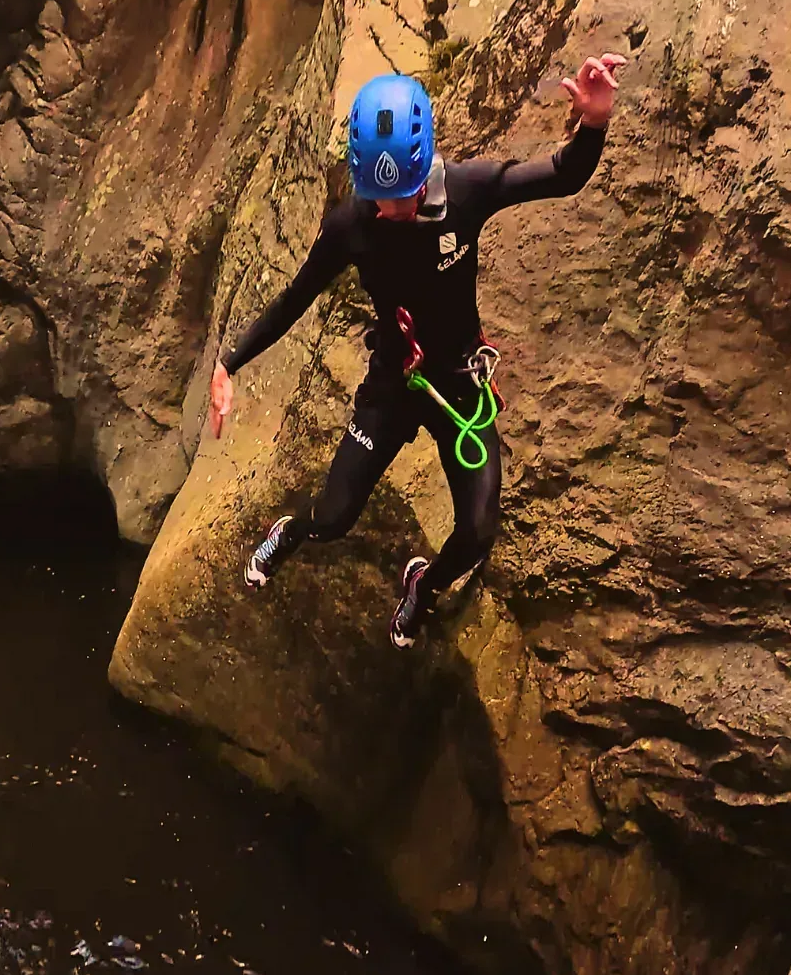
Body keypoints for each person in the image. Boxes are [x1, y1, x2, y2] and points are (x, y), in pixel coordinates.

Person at [209, 53, 627, 648]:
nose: (393, 210)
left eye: (403, 194)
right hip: (394, 383)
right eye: (380, 199)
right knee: (332, 519)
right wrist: (229, 363)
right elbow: (294, 298)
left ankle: (422, 585)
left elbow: (562, 175)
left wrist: (594, 123)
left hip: (458, 384)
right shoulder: (352, 225)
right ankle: (292, 532)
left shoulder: (468, 191)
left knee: (477, 532)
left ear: (425, 164)